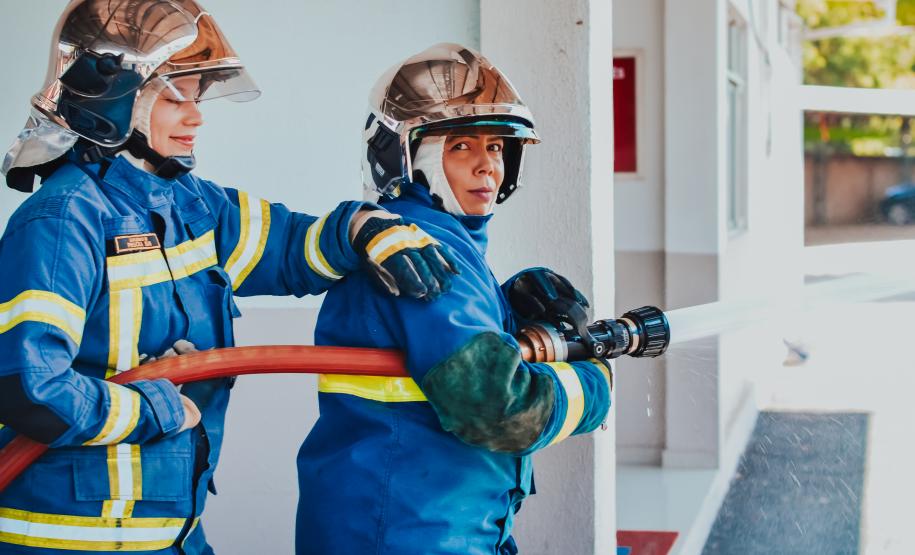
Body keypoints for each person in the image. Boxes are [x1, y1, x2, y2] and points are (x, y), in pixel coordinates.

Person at [0, 2, 456, 553]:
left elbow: (292, 248)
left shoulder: (189, 205)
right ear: (113, 97)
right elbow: (30, 389)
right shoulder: (64, 218)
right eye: (175, 96)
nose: (196, 117)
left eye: (197, 96)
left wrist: (364, 227)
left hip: (174, 535)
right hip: (72, 540)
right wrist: (162, 407)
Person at [295, 43, 613, 555]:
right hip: (412, 531)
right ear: (406, 157)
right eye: (461, 146)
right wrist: (594, 383)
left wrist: (506, 307)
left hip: (416, 519)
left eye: (496, 147)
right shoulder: (426, 251)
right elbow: (494, 406)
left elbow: (434, 343)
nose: (487, 166)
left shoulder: (429, 242)